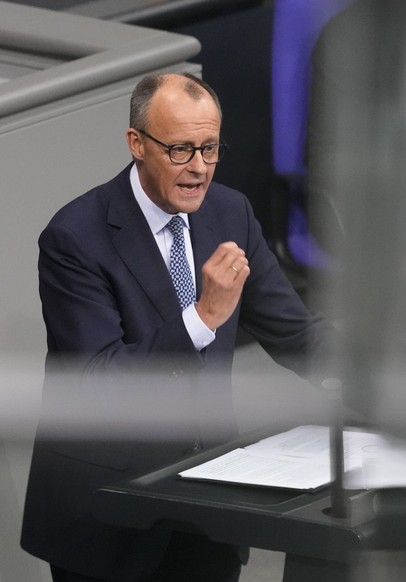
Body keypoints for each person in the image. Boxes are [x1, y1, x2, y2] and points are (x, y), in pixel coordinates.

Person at [20, 73, 336, 582]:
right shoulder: (74, 238)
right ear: (137, 144)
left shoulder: (231, 212)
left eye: (210, 149)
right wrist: (202, 316)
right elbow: (98, 381)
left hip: (208, 507)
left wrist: (387, 389)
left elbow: (296, 333)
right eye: (181, 150)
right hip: (109, 517)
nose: (199, 170)